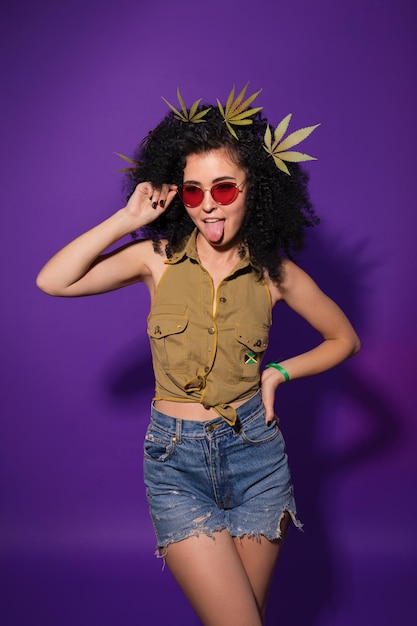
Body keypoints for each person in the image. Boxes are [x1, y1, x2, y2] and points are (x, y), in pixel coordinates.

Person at [37, 85, 360, 626]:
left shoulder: (275, 276)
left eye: (224, 188)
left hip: (258, 458)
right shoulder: (154, 259)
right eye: (192, 191)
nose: (208, 203)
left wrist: (278, 373)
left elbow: (343, 339)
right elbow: (53, 281)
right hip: (175, 465)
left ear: (254, 190)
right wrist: (126, 219)